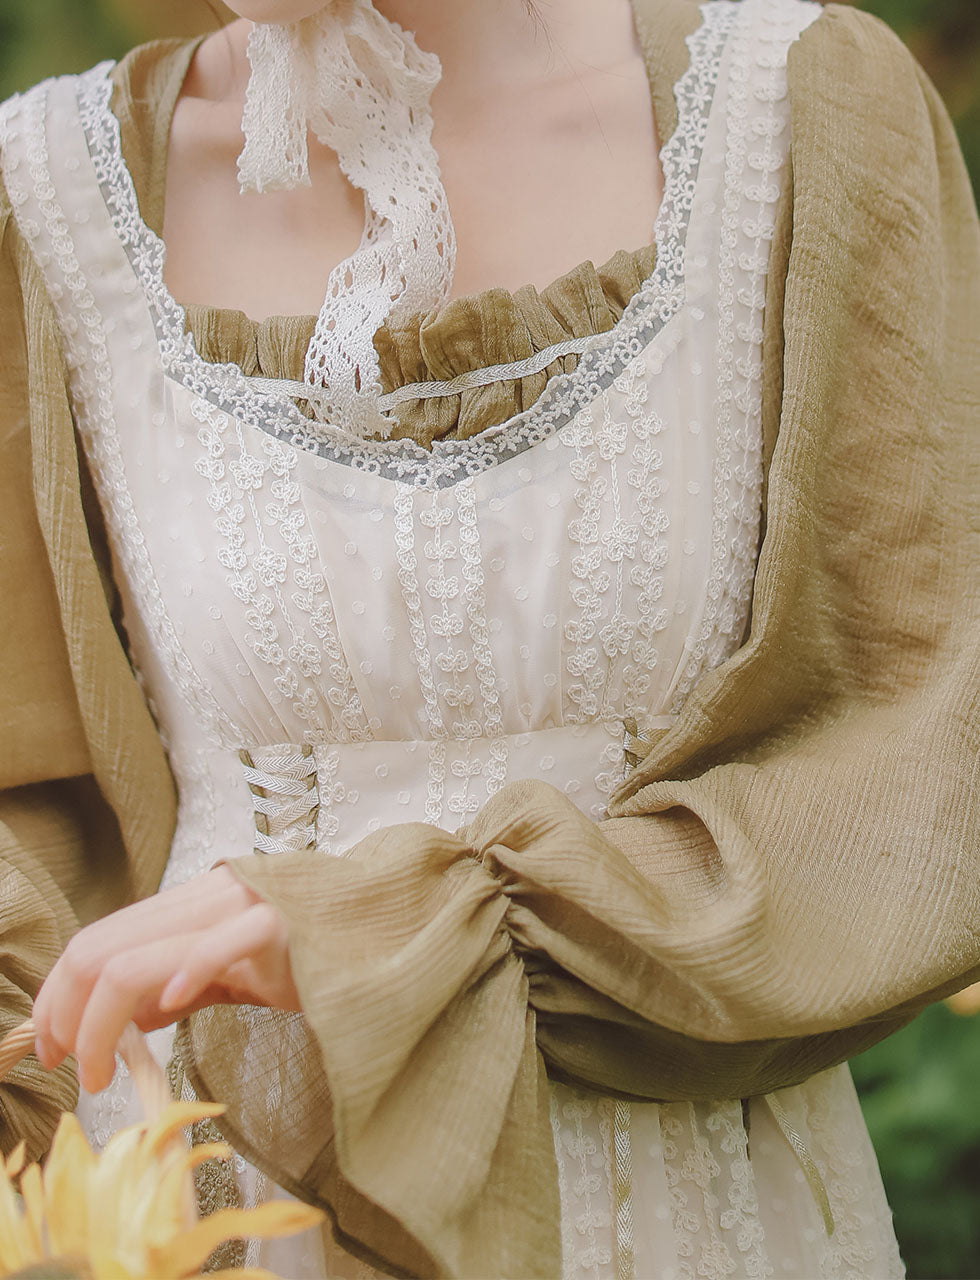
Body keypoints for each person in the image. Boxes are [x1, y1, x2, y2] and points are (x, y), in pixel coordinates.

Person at [0, 0, 977, 1276]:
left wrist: (385, 928)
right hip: (222, 1208)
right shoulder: (49, 191)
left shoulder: (800, 108)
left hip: (690, 1203)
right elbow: (27, 803)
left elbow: (914, 755)